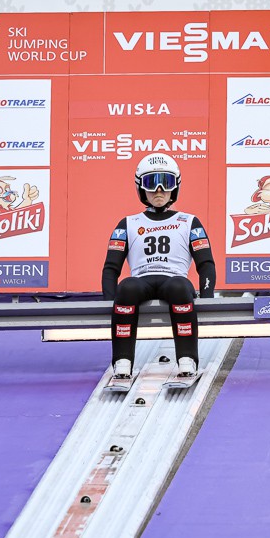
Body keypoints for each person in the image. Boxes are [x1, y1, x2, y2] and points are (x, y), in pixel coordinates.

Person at [101, 153, 216, 380]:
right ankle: (122, 361)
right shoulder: (128, 223)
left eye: (166, 182)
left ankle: (187, 358)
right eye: (151, 183)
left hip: (174, 278)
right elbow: (111, 268)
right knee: (127, 287)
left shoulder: (189, 221)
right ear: (140, 187)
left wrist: (207, 297)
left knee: (179, 287)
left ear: (176, 186)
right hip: (141, 280)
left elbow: (206, 263)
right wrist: (109, 302)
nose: (159, 190)